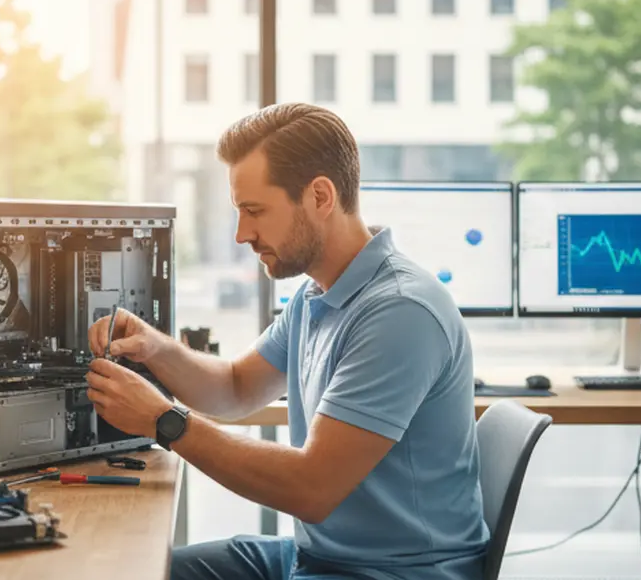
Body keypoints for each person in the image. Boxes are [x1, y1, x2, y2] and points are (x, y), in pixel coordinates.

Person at [84, 103, 489, 580]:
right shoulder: (317, 294)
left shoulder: (400, 312)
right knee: (136, 570)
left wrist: (163, 421)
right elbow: (236, 389)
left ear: (320, 196)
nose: (242, 234)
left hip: (391, 573)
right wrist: (157, 347)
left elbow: (311, 488)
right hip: (317, 557)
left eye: (254, 211)